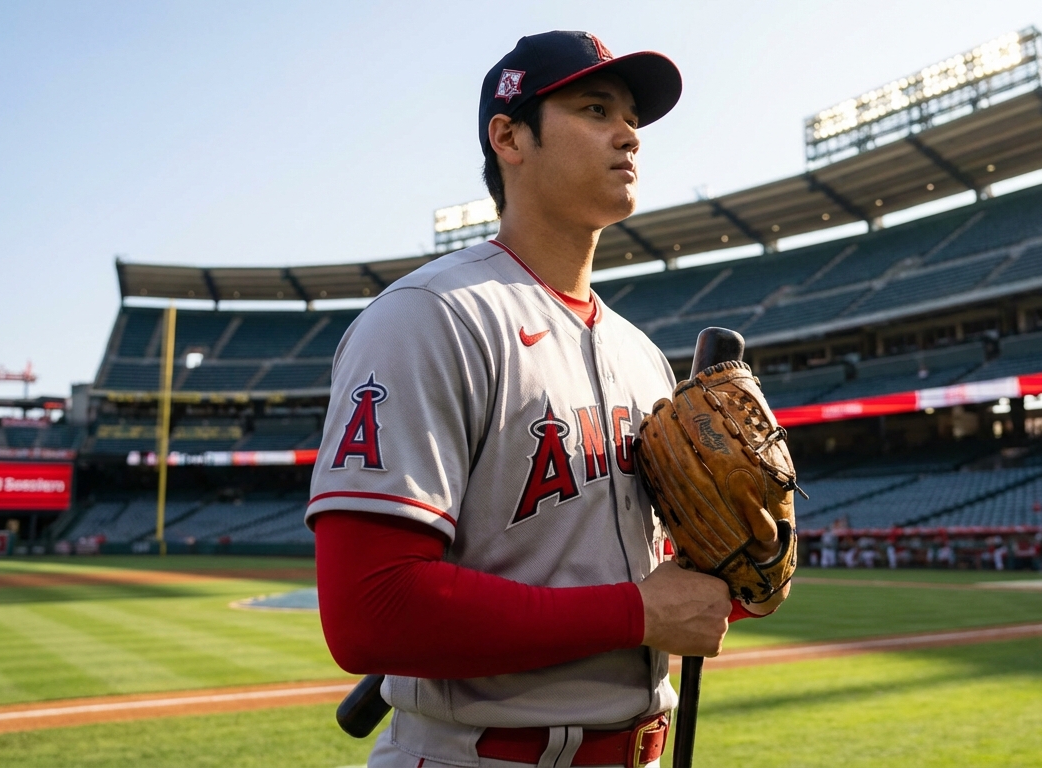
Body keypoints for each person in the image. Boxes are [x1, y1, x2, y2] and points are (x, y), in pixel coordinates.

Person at [307, 32, 789, 768]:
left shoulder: (644, 358)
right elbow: (370, 609)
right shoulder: (432, 316)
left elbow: (674, 578)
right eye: (595, 108)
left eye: (631, 116)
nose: (628, 134)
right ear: (509, 137)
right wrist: (640, 612)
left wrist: (745, 565)